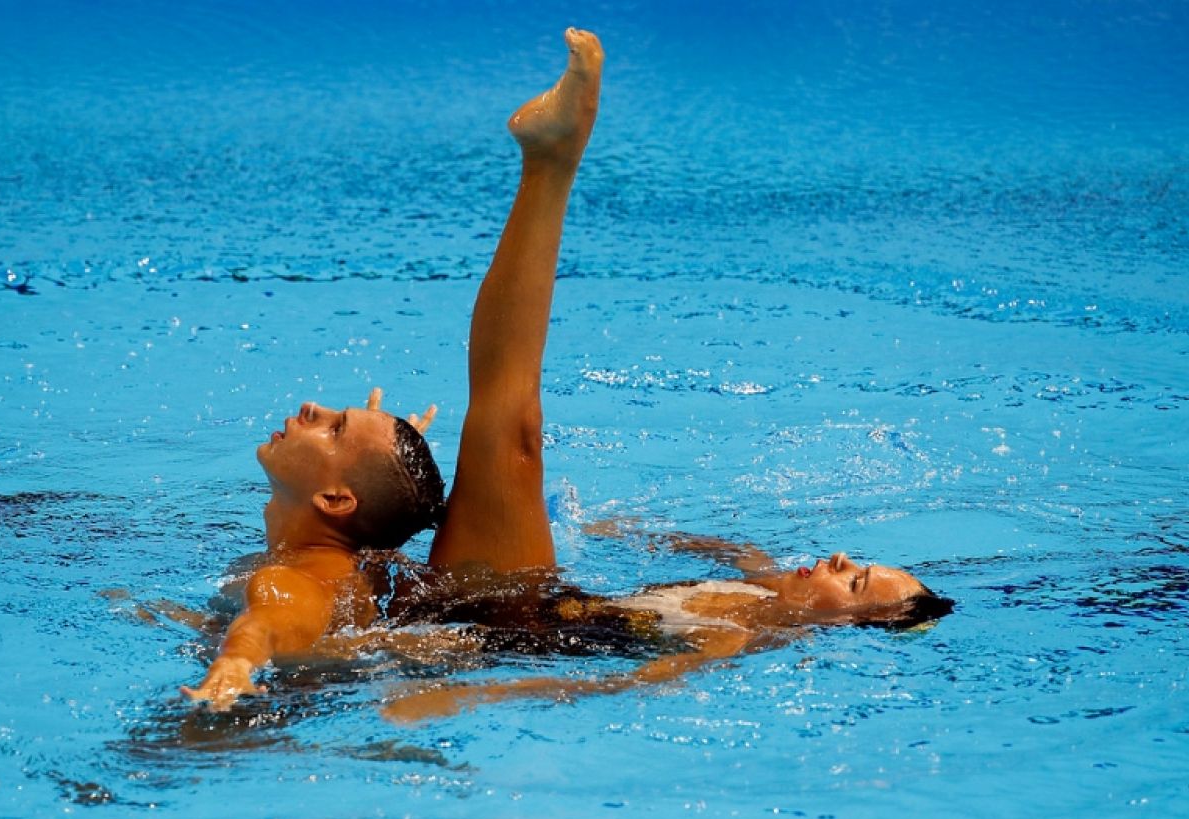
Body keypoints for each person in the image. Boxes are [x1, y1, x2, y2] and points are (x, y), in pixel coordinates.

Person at [179, 28, 948, 712]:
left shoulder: (740, 636)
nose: (844, 559)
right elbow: (714, 553)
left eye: (855, 583)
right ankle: (549, 165)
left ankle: (553, 162)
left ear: (847, 629)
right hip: (502, 606)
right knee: (500, 432)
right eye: (863, 563)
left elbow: (613, 686)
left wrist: (461, 691)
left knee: (512, 430)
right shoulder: (761, 581)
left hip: (514, 626)